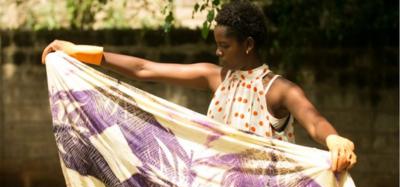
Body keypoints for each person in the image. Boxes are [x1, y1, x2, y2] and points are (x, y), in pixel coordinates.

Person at [41, 0, 356, 172]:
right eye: (216, 45)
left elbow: (313, 121)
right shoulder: (215, 77)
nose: (217, 52)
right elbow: (144, 68)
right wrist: (80, 52)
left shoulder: (278, 89)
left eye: (224, 45)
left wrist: (334, 139)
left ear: (248, 44)